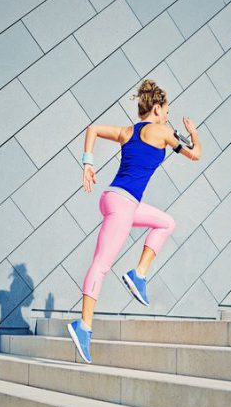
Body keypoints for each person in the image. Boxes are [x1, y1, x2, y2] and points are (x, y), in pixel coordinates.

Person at [67, 79, 202, 363]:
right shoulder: (162, 131)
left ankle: (138, 275)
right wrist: (193, 133)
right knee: (101, 265)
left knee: (165, 222)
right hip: (123, 204)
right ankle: (84, 326)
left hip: (117, 200)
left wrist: (88, 163)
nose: (168, 115)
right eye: (166, 109)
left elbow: (92, 129)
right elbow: (195, 155)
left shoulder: (129, 131)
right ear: (156, 108)